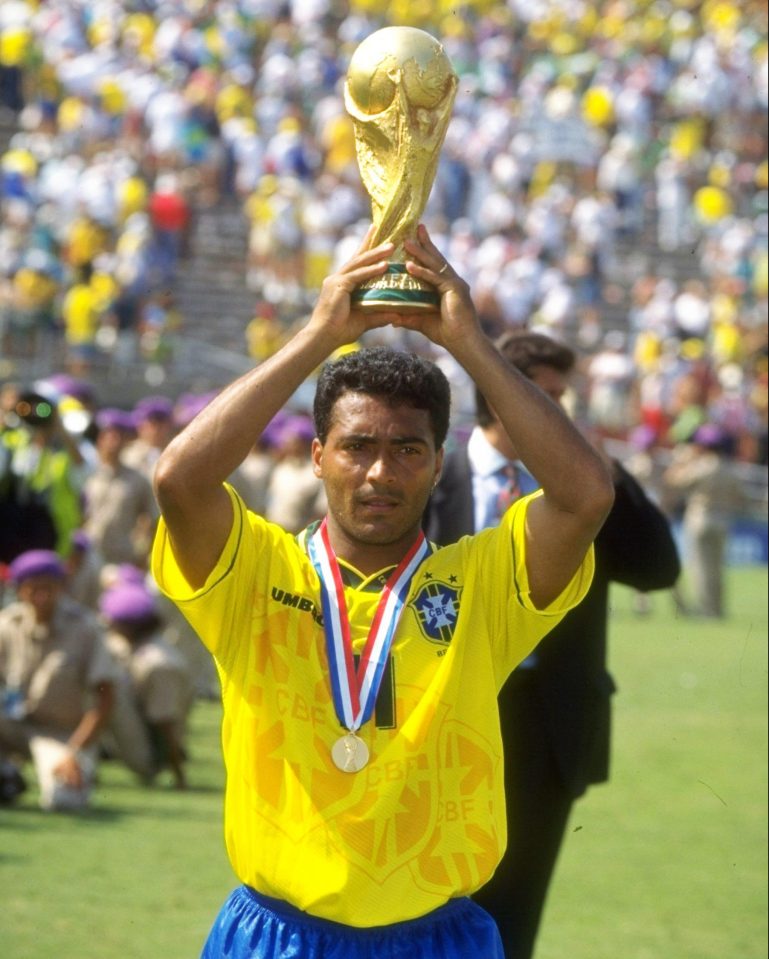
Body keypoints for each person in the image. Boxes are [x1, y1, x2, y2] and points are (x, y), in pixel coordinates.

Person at [150, 225, 614, 959]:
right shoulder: (256, 570)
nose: (379, 472)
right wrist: (316, 336)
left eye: (407, 450)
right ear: (317, 457)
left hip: (437, 937)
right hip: (276, 933)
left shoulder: (481, 582)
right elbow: (178, 477)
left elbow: (585, 494)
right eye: (357, 446)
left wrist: (466, 339)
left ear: (436, 466)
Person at [423, 329, 681, 959]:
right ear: (499, 394)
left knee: (515, 919)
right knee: (425, 904)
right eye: (546, 394)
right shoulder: (429, 474)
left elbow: (658, 570)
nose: (559, 409)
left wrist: (604, 478)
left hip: (550, 729)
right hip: (440, 720)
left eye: (564, 397)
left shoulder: (582, 490)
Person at [0, 549, 117, 811]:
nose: (40, 596)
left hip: (61, 735)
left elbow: (105, 698)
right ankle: (7, 774)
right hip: (12, 724)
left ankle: (81, 768)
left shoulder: (86, 627)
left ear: (62, 587)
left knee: (66, 799)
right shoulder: (7, 624)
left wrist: (74, 753)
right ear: (19, 590)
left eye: (48, 588)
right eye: (33, 588)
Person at [99, 581, 192, 790]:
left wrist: (179, 778)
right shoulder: (137, 644)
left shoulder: (158, 663)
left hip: (150, 754)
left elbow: (166, 724)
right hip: (140, 732)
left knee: (103, 687)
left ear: (127, 625)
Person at [662, 423, 744, 618]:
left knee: (700, 566)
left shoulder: (701, 466)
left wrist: (683, 460)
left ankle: (705, 608)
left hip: (700, 518)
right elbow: (741, 497)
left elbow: (673, 480)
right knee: (718, 567)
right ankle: (717, 608)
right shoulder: (731, 468)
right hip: (723, 519)